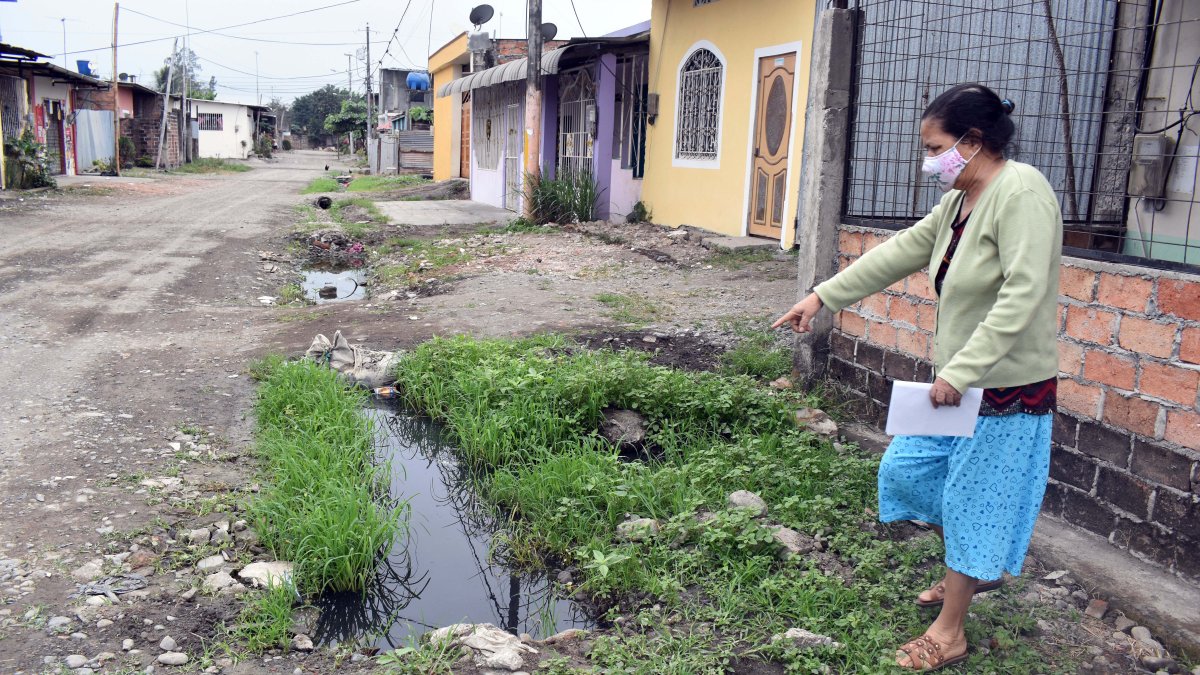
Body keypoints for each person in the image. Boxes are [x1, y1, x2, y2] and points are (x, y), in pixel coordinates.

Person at [773, 83, 1062, 671]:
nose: (929, 160)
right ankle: (971, 567)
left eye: (935, 147)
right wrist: (823, 296)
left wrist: (962, 370)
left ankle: (950, 630)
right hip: (957, 383)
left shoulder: (1020, 193)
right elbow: (903, 249)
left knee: (973, 500)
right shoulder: (962, 199)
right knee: (908, 471)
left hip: (1003, 386)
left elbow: (1023, 293)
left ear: (973, 141)